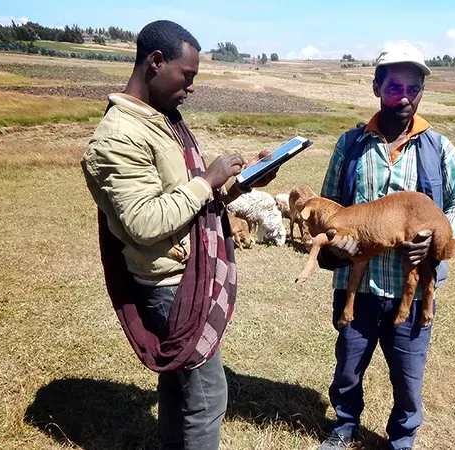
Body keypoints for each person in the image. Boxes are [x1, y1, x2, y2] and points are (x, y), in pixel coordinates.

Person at [81, 20, 276, 450]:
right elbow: (145, 223)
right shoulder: (118, 138)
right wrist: (207, 180)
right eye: (187, 76)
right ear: (155, 62)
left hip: (184, 273)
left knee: (179, 389)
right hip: (170, 285)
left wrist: (243, 183)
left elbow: (189, 203)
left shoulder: (160, 121)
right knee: (206, 400)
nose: (191, 88)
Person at [316, 42, 455, 450]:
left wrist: (436, 239)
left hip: (413, 290)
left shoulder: (439, 149)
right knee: (348, 365)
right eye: (394, 87)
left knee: (408, 374)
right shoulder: (350, 147)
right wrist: (335, 244)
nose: (404, 97)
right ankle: (344, 427)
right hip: (359, 284)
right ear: (375, 88)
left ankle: (402, 439)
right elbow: (330, 203)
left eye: (413, 89)